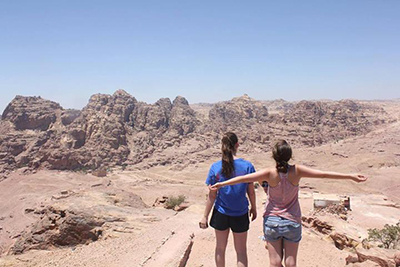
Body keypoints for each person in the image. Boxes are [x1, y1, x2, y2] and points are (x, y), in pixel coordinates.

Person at [210, 140, 367, 267]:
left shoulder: (270, 173)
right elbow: (324, 174)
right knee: (291, 263)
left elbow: (244, 179)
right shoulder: (297, 171)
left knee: (274, 262)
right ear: (290, 155)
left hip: (272, 221)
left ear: (274, 156)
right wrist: (350, 176)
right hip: (292, 221)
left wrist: (221, 185)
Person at [199, 132, 257, 267]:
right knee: (241, 251)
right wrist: (254, 208)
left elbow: (212, 195)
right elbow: (251, 192)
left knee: (220, 248)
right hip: (240, 213)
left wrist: (205, 216)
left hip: (221, 213)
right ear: (237, 145)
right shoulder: (247, 166)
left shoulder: (215, 167)